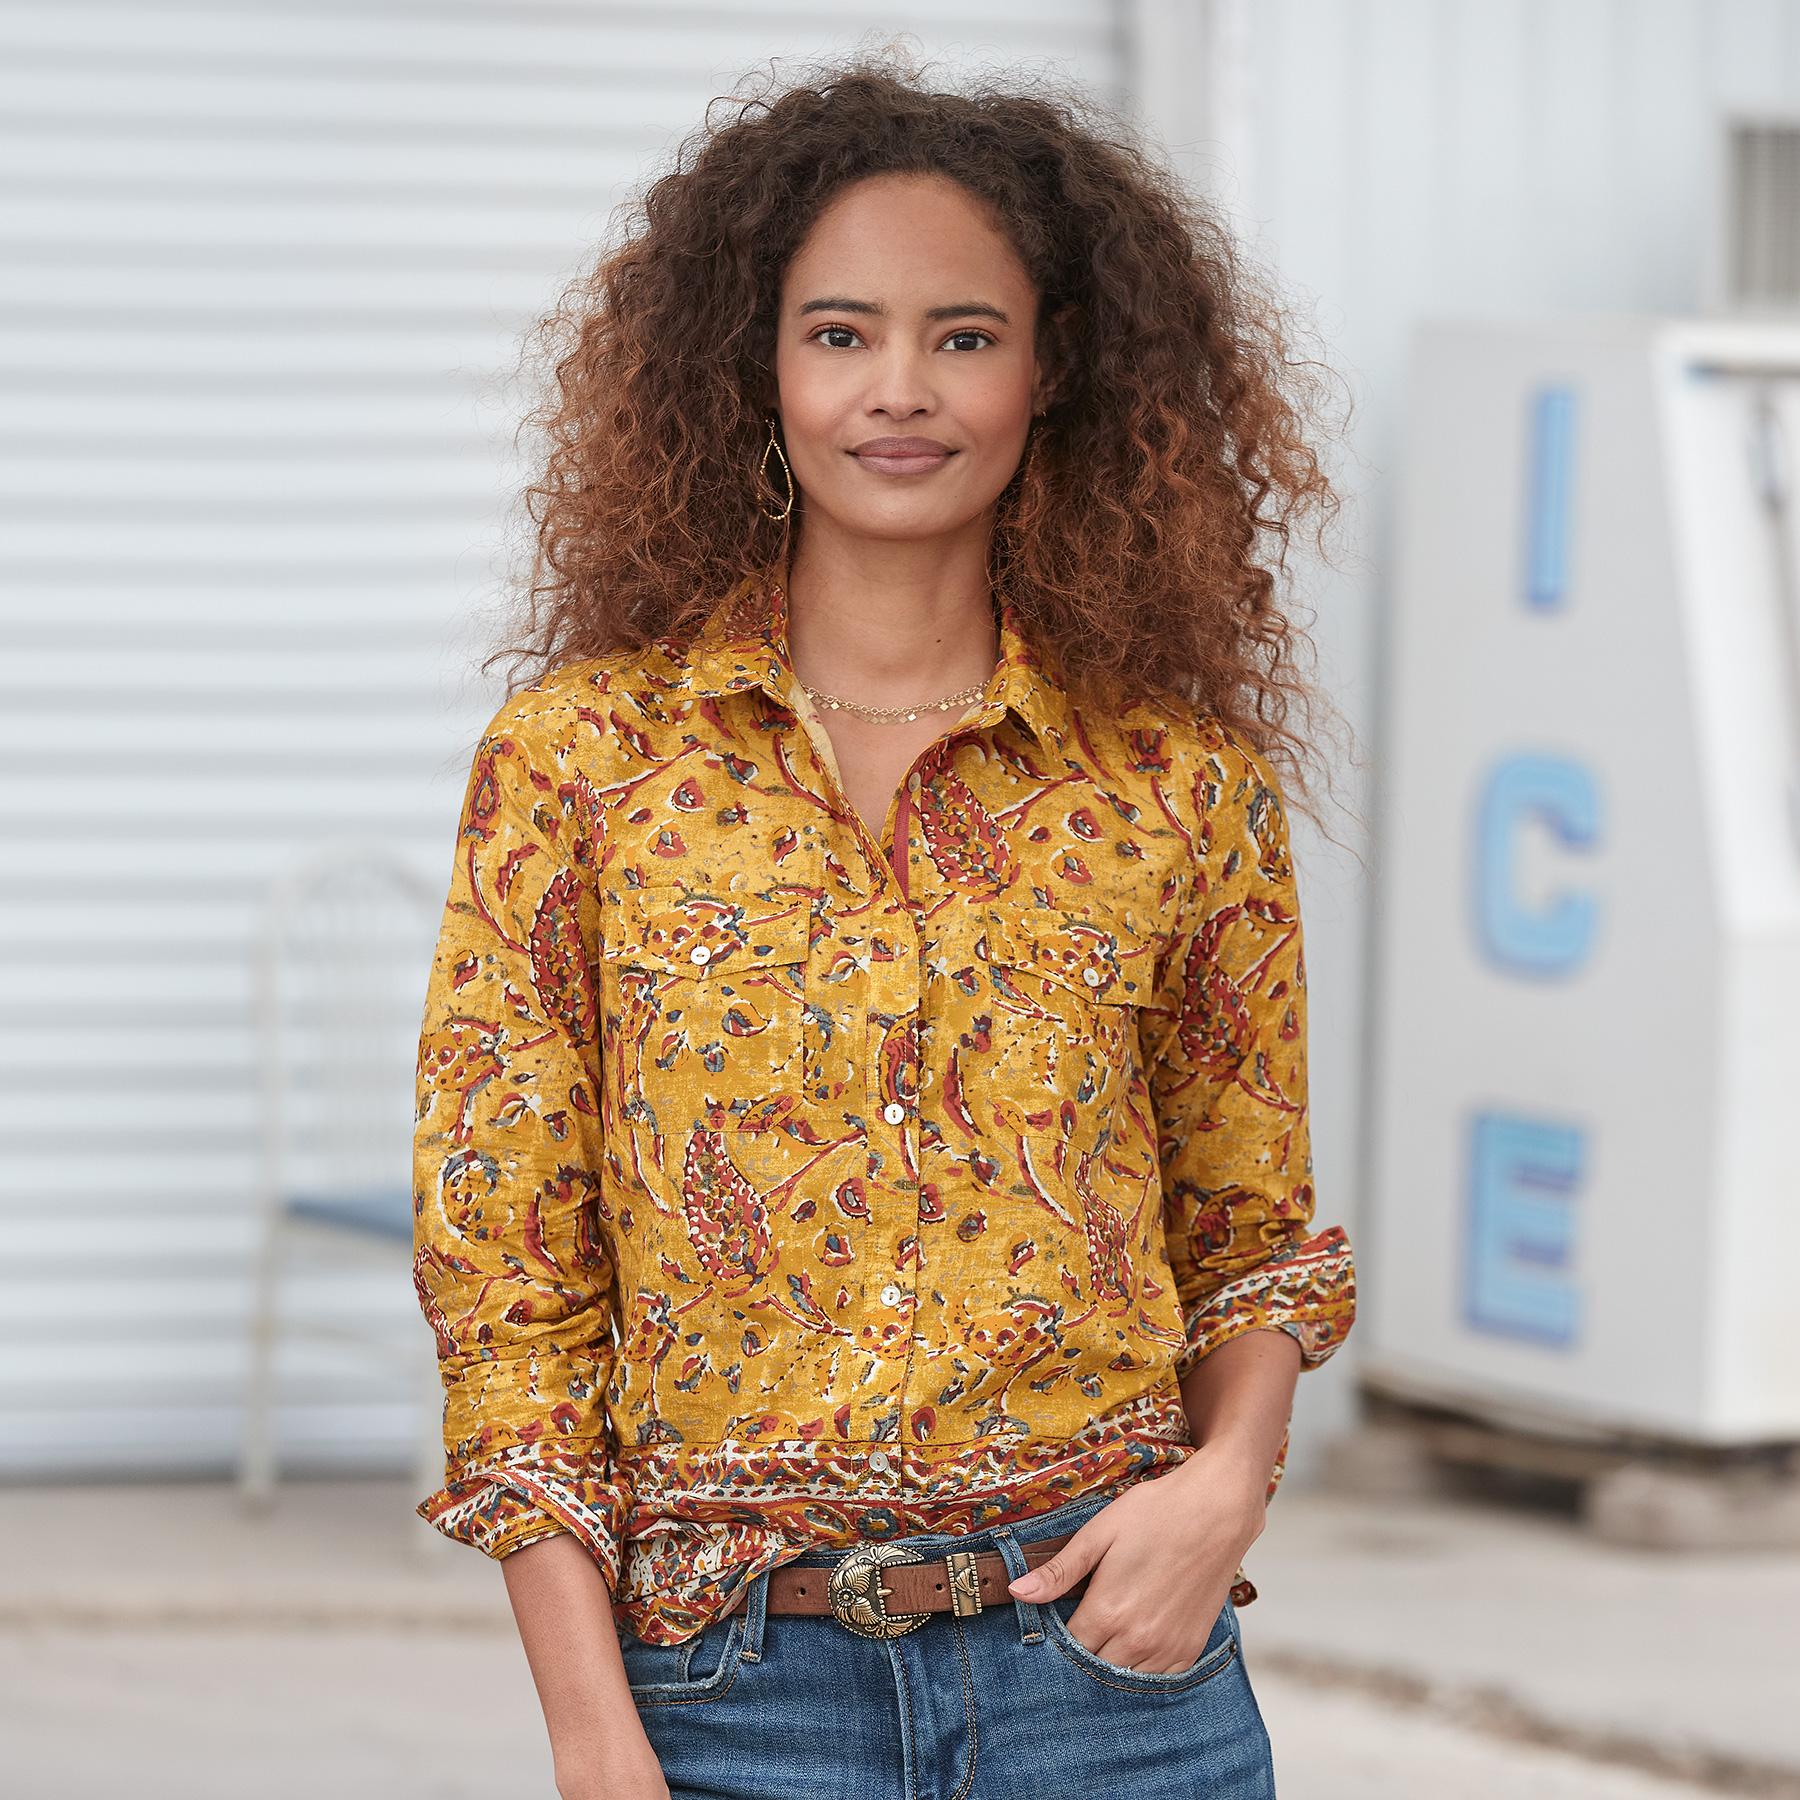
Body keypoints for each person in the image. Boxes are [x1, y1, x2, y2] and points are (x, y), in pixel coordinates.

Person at [410, 50, 1358, 1800]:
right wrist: (589, 1731)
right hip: (725, 1695)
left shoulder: (1177, 782)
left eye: (965, 336)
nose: (900, 391)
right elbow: (509, 1289)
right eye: (840, 334)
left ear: (1052, 370)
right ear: (756, 374)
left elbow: (1254, 1234)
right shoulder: (583, 766)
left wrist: (1226, 1487)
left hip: (1111, 1674)